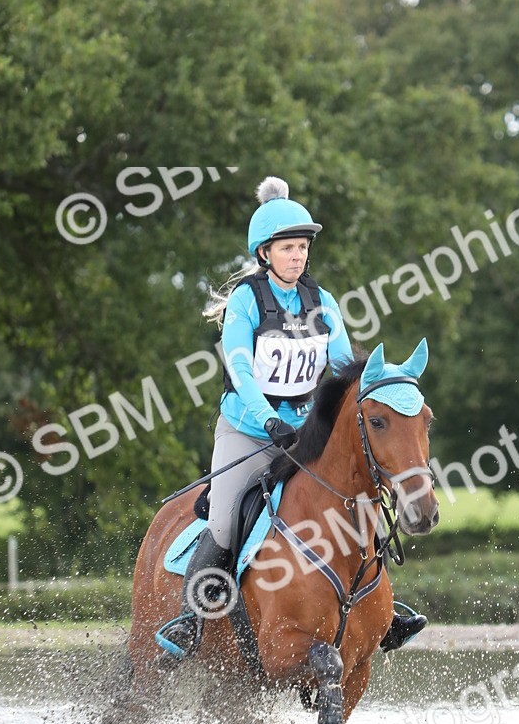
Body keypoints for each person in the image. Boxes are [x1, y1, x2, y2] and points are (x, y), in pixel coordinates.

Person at [158, 176, 427, 665]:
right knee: (224, 521)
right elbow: (240, 367)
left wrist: (382, 383)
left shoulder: (323, 303)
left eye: (302, 247)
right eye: (287, 248)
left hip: (305, 435)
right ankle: (191, 619)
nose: (297, 256)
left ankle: (378, 609)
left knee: (360, 499)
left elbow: (347, 370)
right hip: (247, 430)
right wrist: (268, 419)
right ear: (265, 253)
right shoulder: (245, 301)